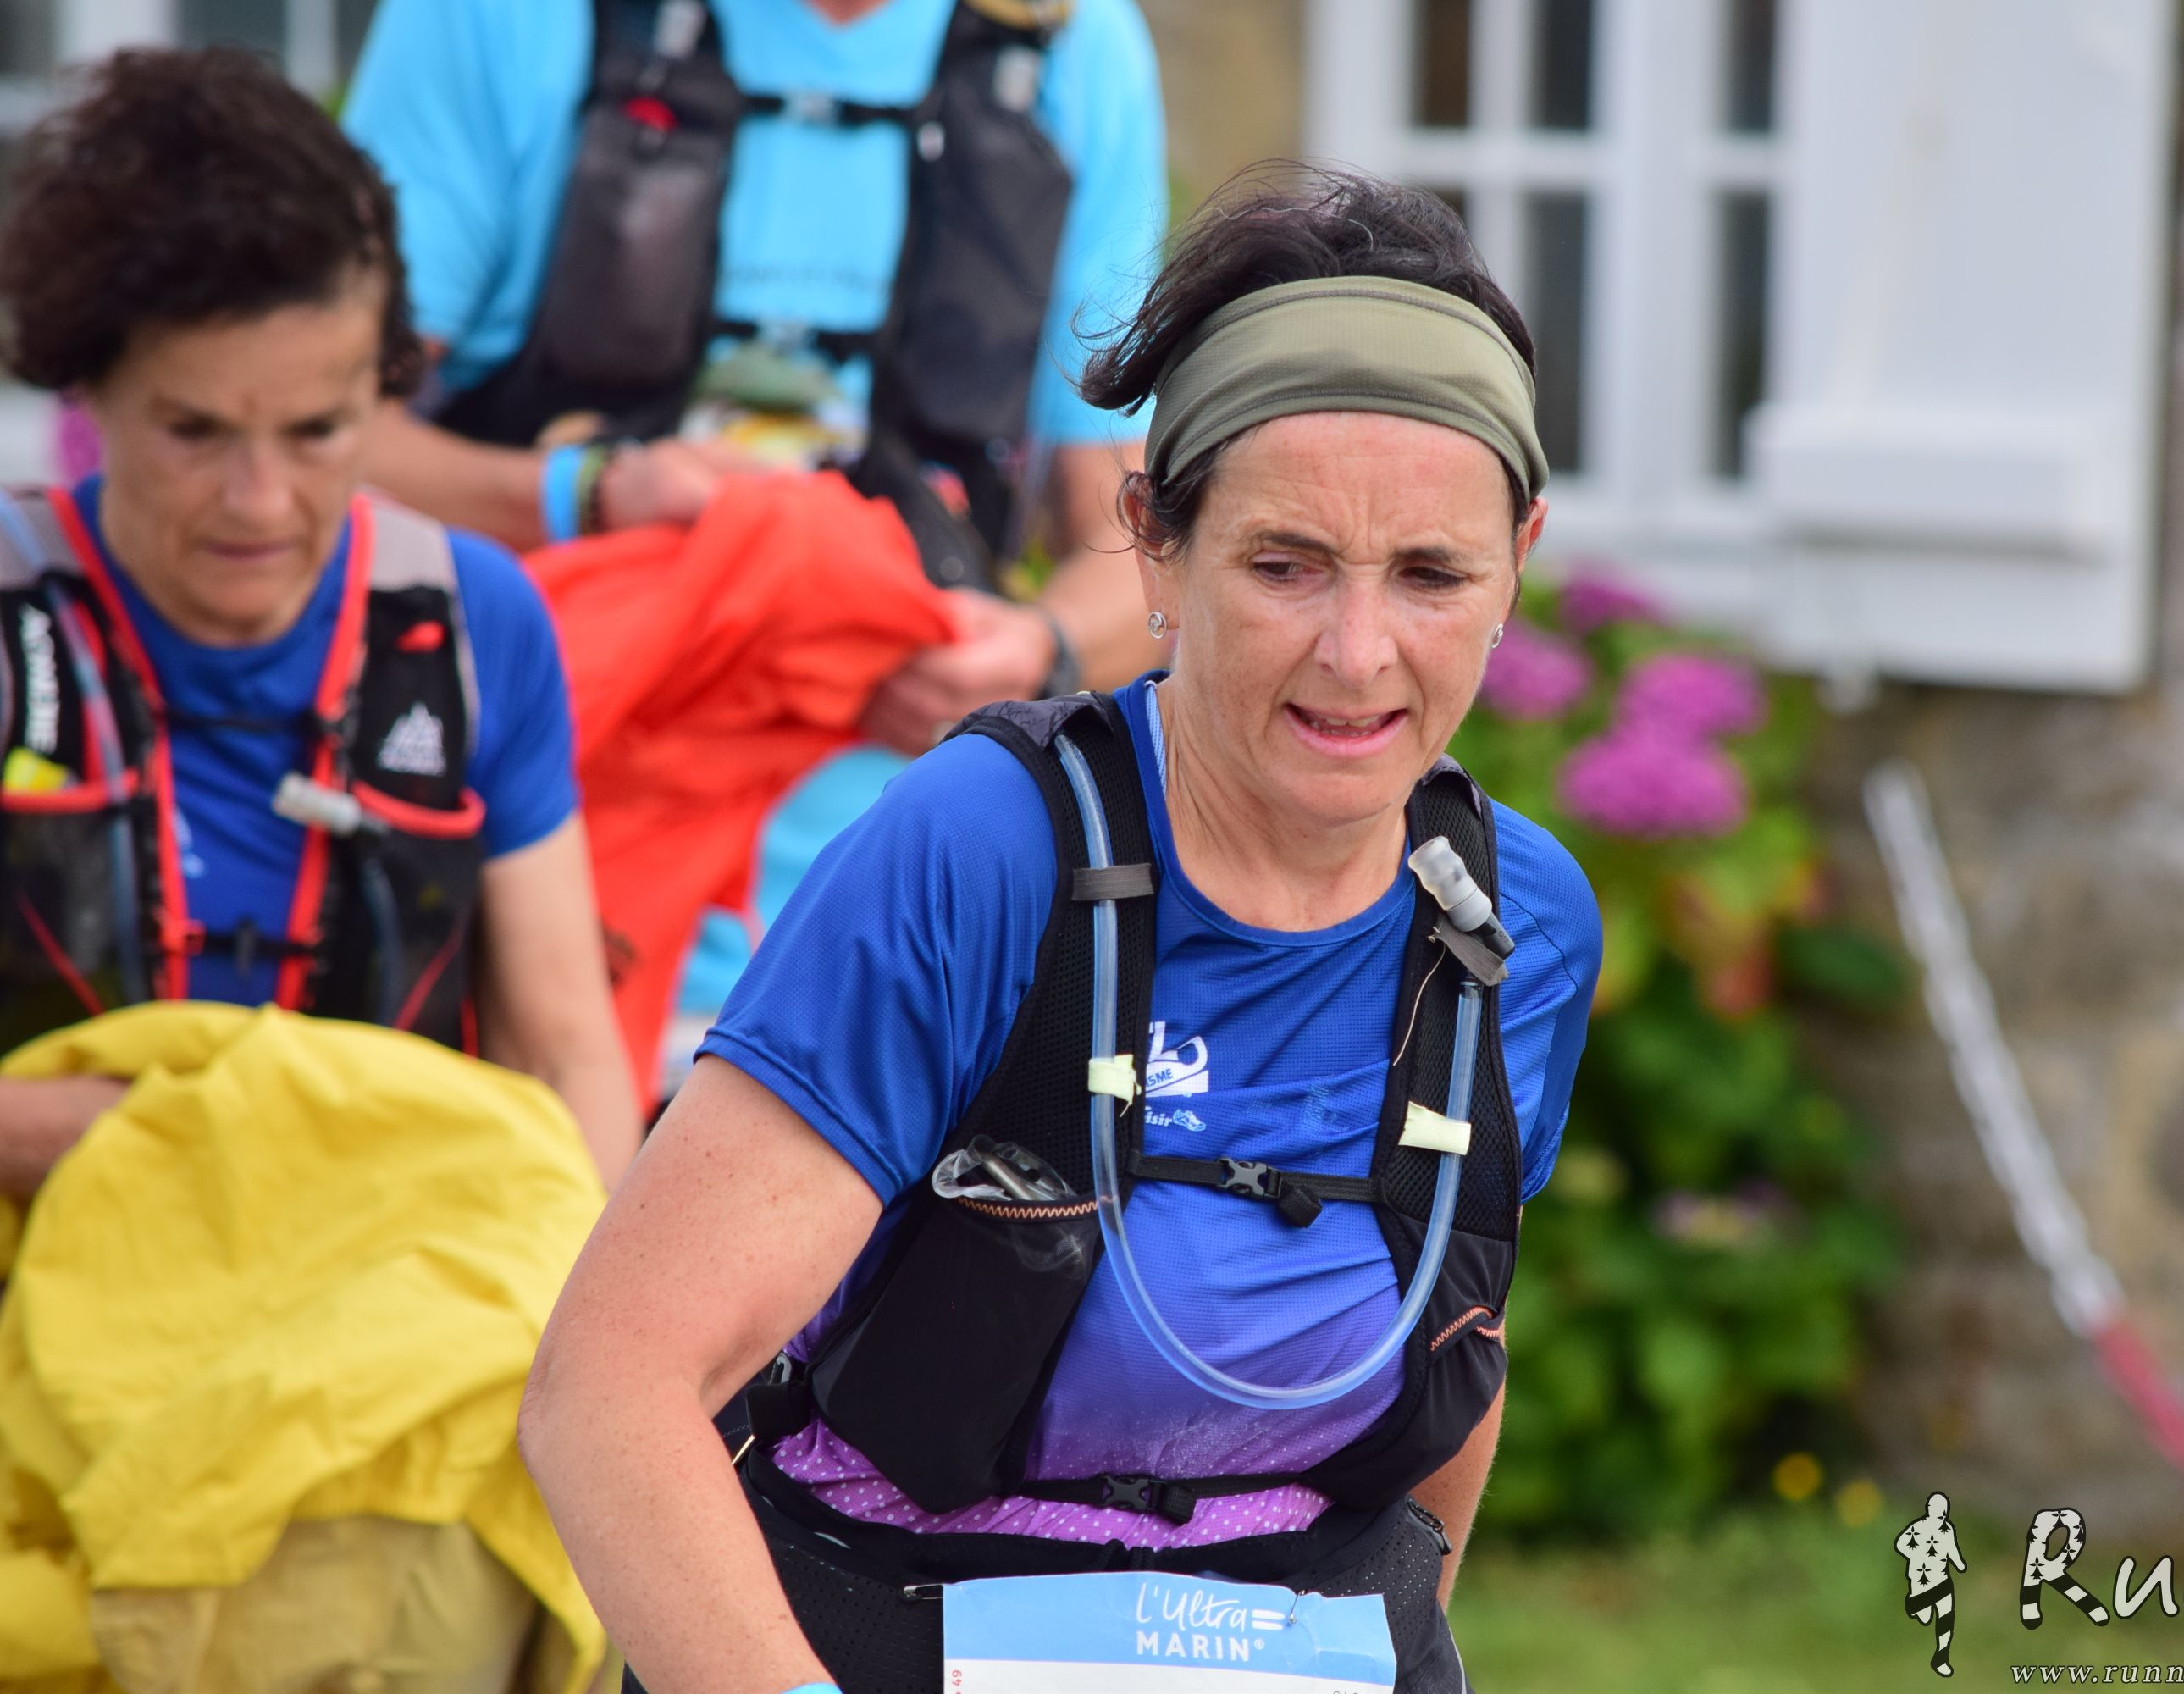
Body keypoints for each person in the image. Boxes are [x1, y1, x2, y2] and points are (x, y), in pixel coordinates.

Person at [521, 169, 1603, 1691]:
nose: (1359, 655)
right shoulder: (985, 853)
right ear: (1153, 540)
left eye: (1431, 574)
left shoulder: (1506, 922)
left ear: (1519, 557)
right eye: (1284, 565)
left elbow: (1447, 1365)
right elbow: (610, 1391)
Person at [0, 47, 639, 1192]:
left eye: (317, 432)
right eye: (195, 432)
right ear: (88, 388)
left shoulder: (475, 621)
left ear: (383, 391)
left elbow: (563, 1054)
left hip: (398, 1283)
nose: (260, 502)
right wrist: (237, 1138)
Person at [340, 0, 1167, 750]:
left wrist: (1040, 650)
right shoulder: (498, 18)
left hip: (893, 813)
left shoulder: (1070, 43)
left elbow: (1145, 546)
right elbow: (313, 434)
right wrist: (585, 494)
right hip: (538, 756)